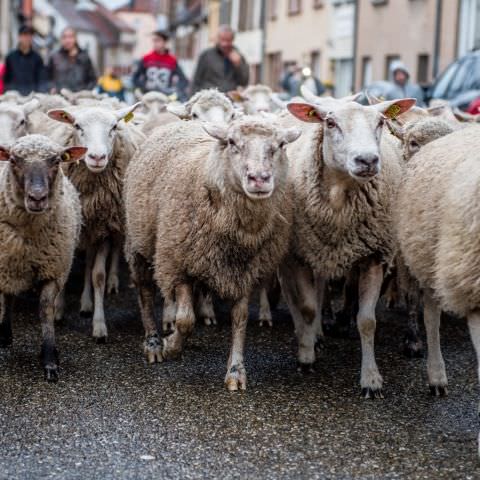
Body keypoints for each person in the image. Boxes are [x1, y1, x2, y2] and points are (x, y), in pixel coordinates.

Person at [191, 25, 249, 95]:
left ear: (232, 40)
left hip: (229, 101)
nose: (225, 44)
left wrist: (238, 65)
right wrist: (193, 100)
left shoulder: (238, 56)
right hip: (209, 100)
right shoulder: (206, 56)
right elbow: (196, 81)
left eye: (228, 40)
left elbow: (244, 82)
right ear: (217, 39)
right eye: (222, 40)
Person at [133, 30, 188, 101]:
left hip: (164, 99)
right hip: (147, 97)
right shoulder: (146, 58)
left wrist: (175, 90)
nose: (155, 43)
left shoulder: (172, 61)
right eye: (154, 41)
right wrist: (143, 86)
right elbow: (135, 78)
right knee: (131, 111)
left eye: (158, 40)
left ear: (165, 42)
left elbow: (184, 80)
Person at [48, 27, 97, 93]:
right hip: (60, 97)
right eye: (64, 37)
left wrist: (85, 91)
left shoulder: (84, 57)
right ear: (61, 39)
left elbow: (93, 79)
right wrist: (52, 87)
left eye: (70, 37)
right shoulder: (55, 57)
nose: (67, 40)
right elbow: (47, 77)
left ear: (75, 38)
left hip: (80, 98)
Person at [4, 25, 47, 95]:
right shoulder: (10, 57)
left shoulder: (38, 58)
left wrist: (40, 94)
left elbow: (41, 80)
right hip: (14, 98)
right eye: (25, 34)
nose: (28, 38)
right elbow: (7, 80)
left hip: (32, 97)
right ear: (19, 37)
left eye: (30, 35)